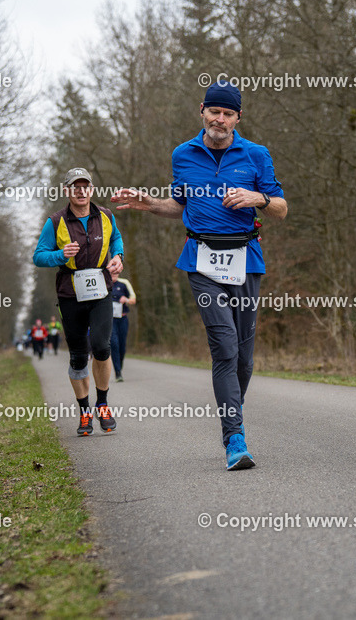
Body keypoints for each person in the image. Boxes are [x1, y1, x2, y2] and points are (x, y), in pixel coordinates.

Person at [112, 80, 287, 470]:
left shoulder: (256, 155)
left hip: (246, 260)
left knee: (244, 358)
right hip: (201, 261)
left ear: (237, 118)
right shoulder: (183, 154)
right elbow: (179, 205)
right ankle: (235, 439)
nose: (220, 119)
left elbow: (281, 208)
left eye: (228, 114)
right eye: (214, 111)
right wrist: (149, 204)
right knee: (224, 346)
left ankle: (231, 408)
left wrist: (258, 198)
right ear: (202, 111)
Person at [33, 167, 124, 436]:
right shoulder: (55, 222)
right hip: (70, 294)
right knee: (78, 356)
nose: (81, 191)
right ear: (67, 191)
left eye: (85, 186)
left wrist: (118, 256)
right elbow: (38, 256)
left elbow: (116, 238)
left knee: (102, 347)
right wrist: (60, 255)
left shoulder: (106, 216)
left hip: (101, 290)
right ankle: (85, 411)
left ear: (91, 189)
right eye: (75, 187)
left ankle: (102, 404)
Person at [109, 268, 137, 382]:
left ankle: (119, 366)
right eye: (112, 272)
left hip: (122, 318)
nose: (114, 274)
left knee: (122, 346)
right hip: (110, 320)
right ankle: (118, 372)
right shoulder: (104, 284)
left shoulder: (124, 283)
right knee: (114, 344)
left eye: (116, 272)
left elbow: (133, 300)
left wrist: (126, 300)